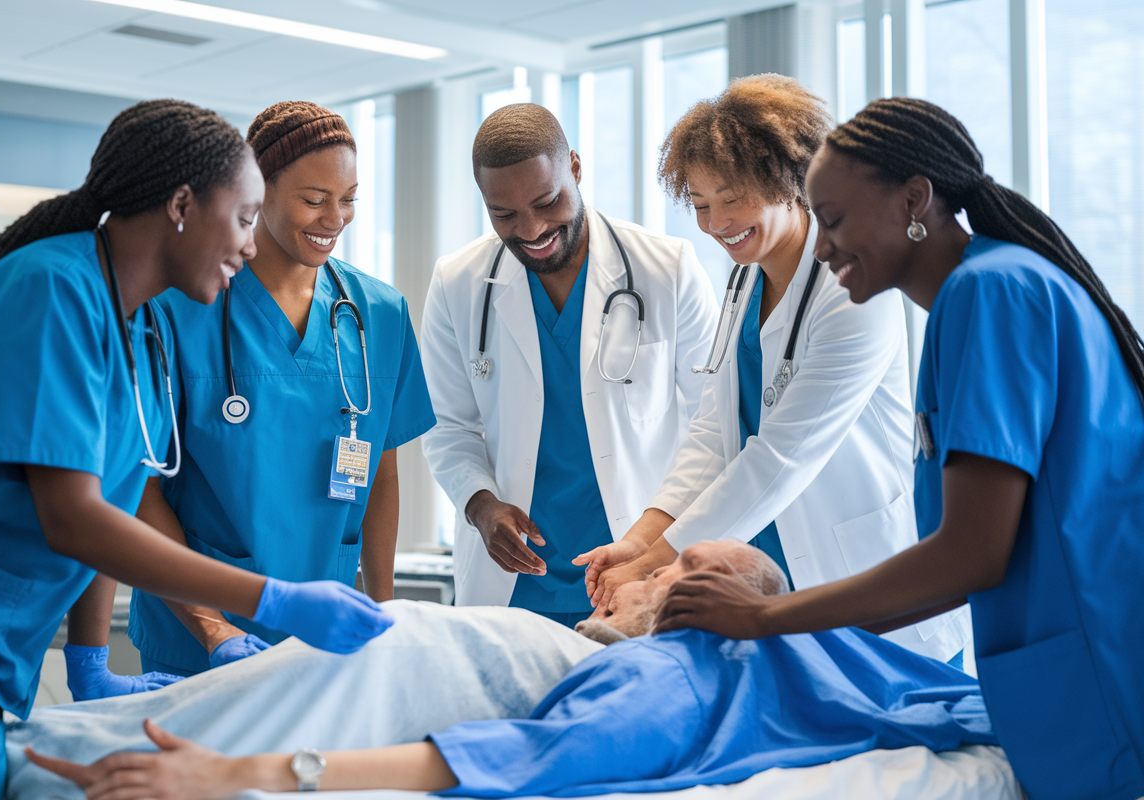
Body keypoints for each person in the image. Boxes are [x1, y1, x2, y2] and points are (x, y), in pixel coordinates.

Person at [0, 99, 391, 800]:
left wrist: (89, 662)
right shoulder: (50, 290)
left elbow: (109, 508)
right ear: (181, 205)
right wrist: (274, 599)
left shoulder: (137, 329)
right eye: (241, 218)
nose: (249, 245)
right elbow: (73, 518)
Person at [653, 97, 1144, 800]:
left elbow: (971, 552)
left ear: (915, 199)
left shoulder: (992, 293)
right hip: (1067, 663)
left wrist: (764, 618)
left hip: (1099, 668)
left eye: (834, 219)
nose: (821, 247)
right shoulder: (978, 295)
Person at [24, 540, 997, 800]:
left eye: (672, 566)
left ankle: (56, 750)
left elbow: (514, 752)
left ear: (711, 599)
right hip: (385, 654)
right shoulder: (633, 650)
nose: (641, 572)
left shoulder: (669, 675)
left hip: (397, 667)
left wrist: (240, 773)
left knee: (90, 756)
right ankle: (60, 741)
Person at [575, 75, 969, 665]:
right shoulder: (742, 282)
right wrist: (639, 536)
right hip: (768, 570)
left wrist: (657, 559)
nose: (714, 223)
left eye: (731, 198)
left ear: (788, 180)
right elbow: (713, 433)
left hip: (864, 579)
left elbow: (781, 456)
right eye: (701, 204)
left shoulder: (854, 291)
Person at [120, 101, 436, 679]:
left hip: (327, 641)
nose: (334, 218)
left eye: (349, 199)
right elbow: (138, 487)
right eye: (314, 200)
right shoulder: (177, 309)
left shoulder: (379, 314)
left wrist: (383, 612)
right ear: (258, 189)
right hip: (198, 641)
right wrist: (214, 632)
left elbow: (382, 472)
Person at [421, 103, 718, 626]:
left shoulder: (667, 269)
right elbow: (448, 427)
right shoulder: (456, 282)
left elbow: (711, 427)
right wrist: (481, 506)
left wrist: (653, 537)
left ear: (575, 169)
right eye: (504, 215)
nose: (532, 229)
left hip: (637, 572)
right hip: (513, 591)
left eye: (547, 200)